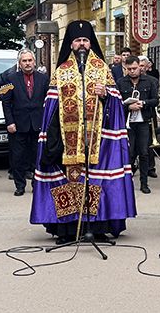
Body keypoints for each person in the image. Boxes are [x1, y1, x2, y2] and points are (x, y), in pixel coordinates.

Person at [32, 21, 137, 242]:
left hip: (98, 140)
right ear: (71, 44)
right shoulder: (61, 71)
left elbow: (117, 102)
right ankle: (68, 230)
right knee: (70, 180)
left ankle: (97, 228)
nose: (82, 44)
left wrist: (106, 94)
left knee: (96, 180)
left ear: (91, 44)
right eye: (78, 40)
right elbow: (50, 106)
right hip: (67, 140)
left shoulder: (102, 69)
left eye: (85, 40)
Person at [0, 49, 49, 196]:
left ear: (34, 62)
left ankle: (36, 184)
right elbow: (6, 102)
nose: (27, 63)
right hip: (18, 124)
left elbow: (48, 100)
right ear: (19, 63)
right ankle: (20, 185)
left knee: (37, 156)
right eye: (24, 61)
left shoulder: (43, 78)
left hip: (38, 123)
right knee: (18, 157)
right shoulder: (11, 78)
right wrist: (9, 122)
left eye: (29, 60)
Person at [119, 55, 159, 193]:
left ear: (139, 67)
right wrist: (128, 107)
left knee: (143, 153)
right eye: (129, 69)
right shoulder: (121, 82)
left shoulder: (149, 81)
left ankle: (144, 183)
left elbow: (155, 100)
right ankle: (126, 182)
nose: (132, 71)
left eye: (135, 68)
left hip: (143, 122)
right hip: (128, 123)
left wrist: (144, 103)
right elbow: (117, 103)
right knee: (129, 153)